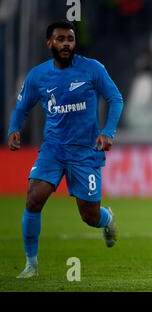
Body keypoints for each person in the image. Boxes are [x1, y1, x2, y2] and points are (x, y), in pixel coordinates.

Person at [7, 21, 124, 278]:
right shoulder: (38, 76)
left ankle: (107, 220)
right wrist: (14, 128)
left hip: (86, 152)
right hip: (53, 149)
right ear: (49, 43)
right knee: (34, 197)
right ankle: (31, 265)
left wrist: (107, 132)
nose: (66, 44)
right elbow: (22, 107)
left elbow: (115, 98)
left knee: (89, 216)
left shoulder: (92, 69)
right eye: (60, 39)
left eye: (70, 39)